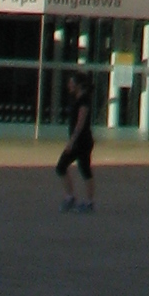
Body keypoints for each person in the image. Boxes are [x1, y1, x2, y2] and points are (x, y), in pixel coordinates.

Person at [56, 72, 96, 212]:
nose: (69, 86)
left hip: (82, 141)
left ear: (78, 85)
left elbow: (80, 123)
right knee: (64, 167)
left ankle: (87, 202)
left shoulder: (84, 100)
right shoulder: (76, 99)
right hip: (79, 141)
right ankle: (71, 197)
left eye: (72, 83)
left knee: (81, 169)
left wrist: (71, 141)